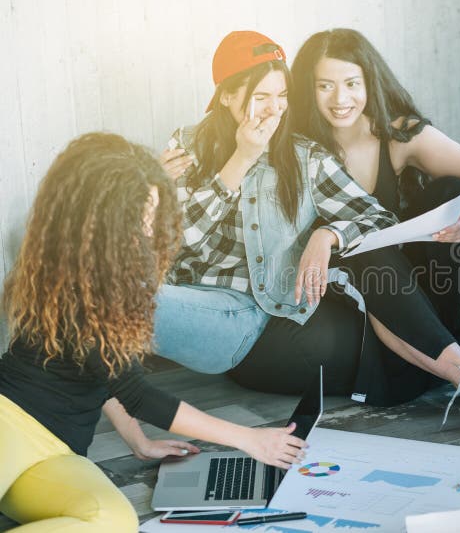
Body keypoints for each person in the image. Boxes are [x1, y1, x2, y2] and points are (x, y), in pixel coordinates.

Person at [157, 31, 460, 440]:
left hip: (302, 300)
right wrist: (240, 158)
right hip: (213, 301)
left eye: (281, 96)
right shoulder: (187, 147)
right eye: (261, 97)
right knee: (114, 297)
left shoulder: (304, 154)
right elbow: (182, 243)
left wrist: (330, 233)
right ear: (228, 97)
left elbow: (375, 220)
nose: (274, 109)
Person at [0, 133, 307, 532]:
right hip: (10, 425)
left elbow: (103, 375)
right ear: (99, 218)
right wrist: (249, 439)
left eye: (152, 213)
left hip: (57, 455)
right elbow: (138, 394)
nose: (148, 227)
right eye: (138, 214)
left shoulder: (102, 280)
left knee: (111, 521)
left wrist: (138, 442)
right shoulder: (71, 283)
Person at [289, 28, 460, 408]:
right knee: (364, 253)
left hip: (426, 280)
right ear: (308, 90)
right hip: (367, 290)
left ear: (369, 82)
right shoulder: (297, 148)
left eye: (351, 83)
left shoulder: (396, 134)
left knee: (452, 193)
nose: (340, 99)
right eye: (325, 86)